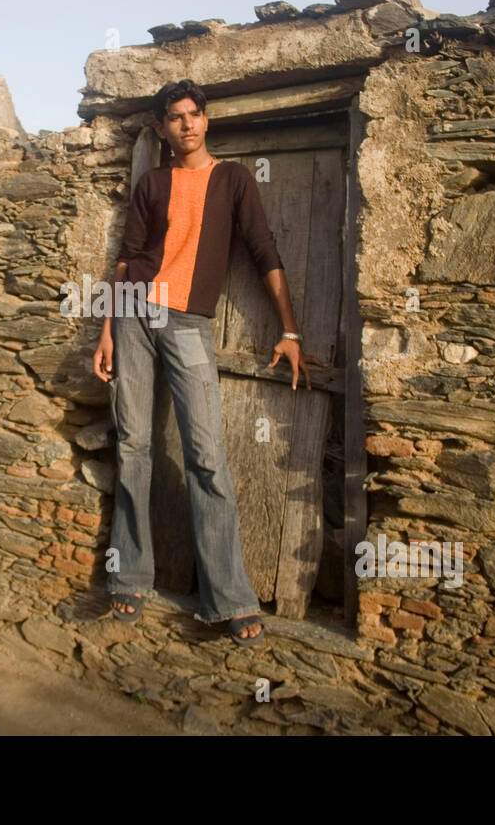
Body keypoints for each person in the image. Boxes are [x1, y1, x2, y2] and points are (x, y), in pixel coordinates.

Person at [92, 79, 320, 646]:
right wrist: (106, 332)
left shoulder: (234, 180)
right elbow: (126, 260)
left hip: (188, 323)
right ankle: (129, 578)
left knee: (206, 457)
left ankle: (230, 597)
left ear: (206, 121)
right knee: (132, 446)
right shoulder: (152, 183)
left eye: (194, 115)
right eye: (175, 117)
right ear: (162, 128)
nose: (187, 124)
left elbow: (264, 249)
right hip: (133, 316)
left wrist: (288, 328)